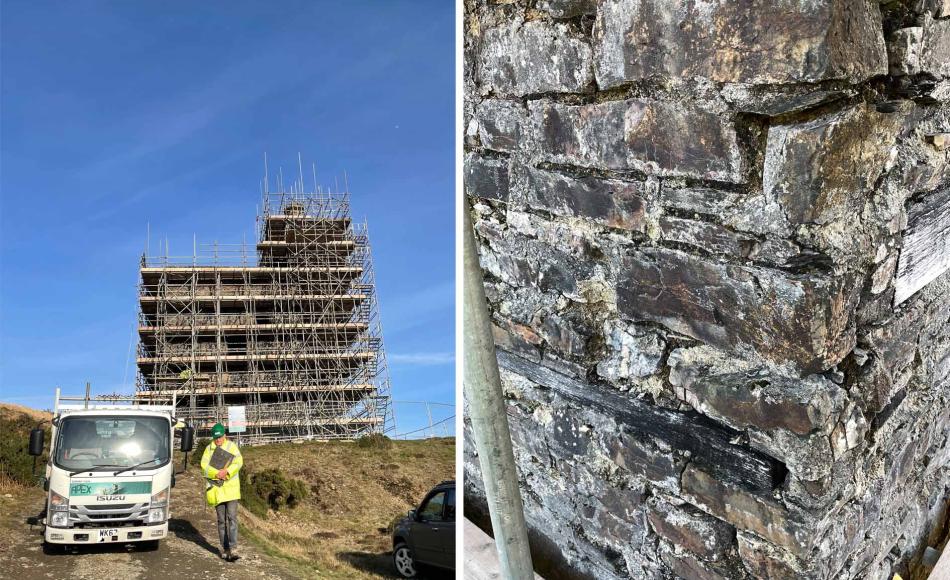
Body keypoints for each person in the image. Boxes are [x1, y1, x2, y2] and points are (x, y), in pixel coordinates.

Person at [200, 423, 244, 561]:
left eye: (220, 437)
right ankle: (225, 549)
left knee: (232, 518)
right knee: (221, 521)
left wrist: (228, 472)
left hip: (231, 490)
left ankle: (233, 548)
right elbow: (204, 467)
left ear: (225, 435)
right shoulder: (209, 449)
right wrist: (217, 473)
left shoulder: (231, 446)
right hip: (217, 491)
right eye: (215, 438)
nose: (218, 440)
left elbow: (239, 462)